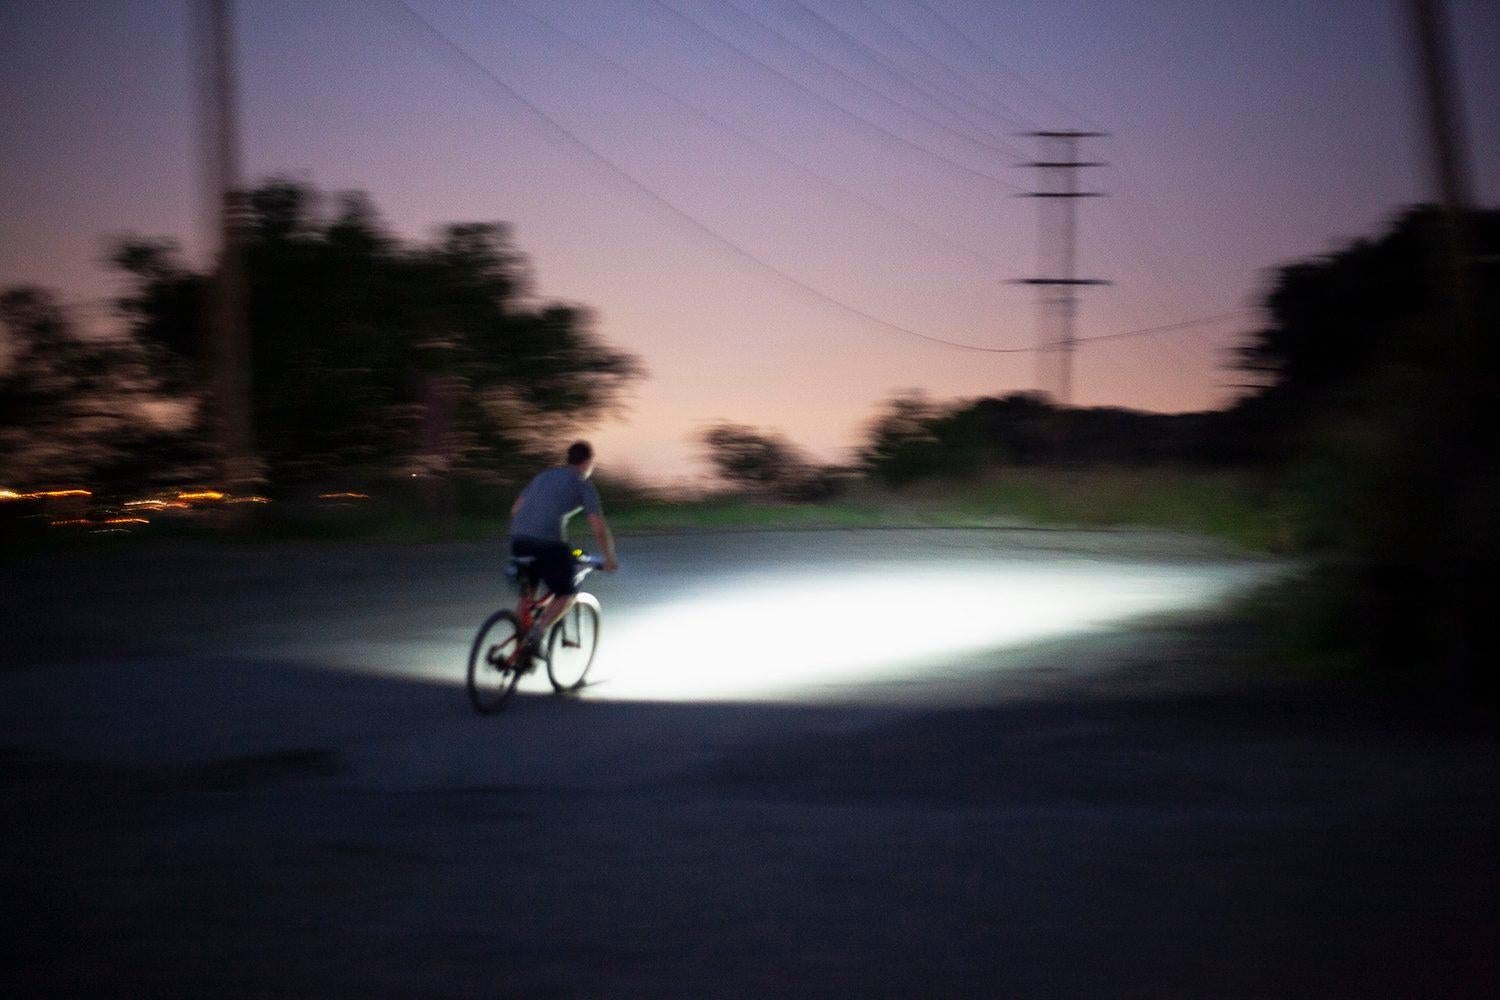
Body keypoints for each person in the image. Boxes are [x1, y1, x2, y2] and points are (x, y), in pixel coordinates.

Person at [509, 441, 619, 658]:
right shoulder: (582, 484)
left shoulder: (544, 476)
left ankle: (518, 648)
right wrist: (609, 558)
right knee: (567, 593)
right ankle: (538, 633)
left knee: (527, 596)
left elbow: (515, 509)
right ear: (588, 463)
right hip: (547, 542)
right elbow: (597, 525)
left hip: (518, 538)